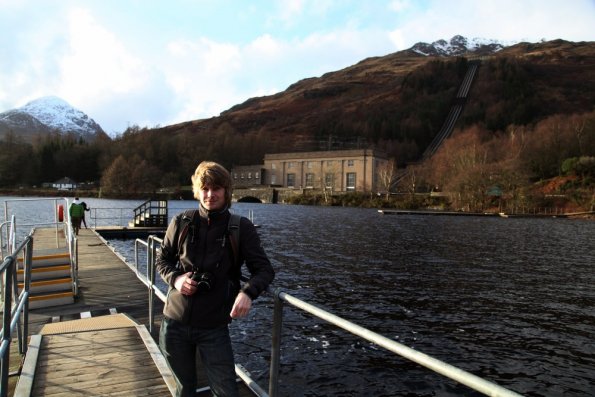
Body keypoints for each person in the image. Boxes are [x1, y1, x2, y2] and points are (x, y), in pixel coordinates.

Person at [157, 161, 275, 397]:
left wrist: (247, 292)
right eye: (205, 188)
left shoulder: (240, 228)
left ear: (226, 191)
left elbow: (264, 270)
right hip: (174, 323)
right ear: (197, 191)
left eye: (216, 188)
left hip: (213, 328)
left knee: (226, 392)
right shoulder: (181, 222)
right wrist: (177, 280)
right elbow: (162, 260)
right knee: (184, 389)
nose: (210, 195)